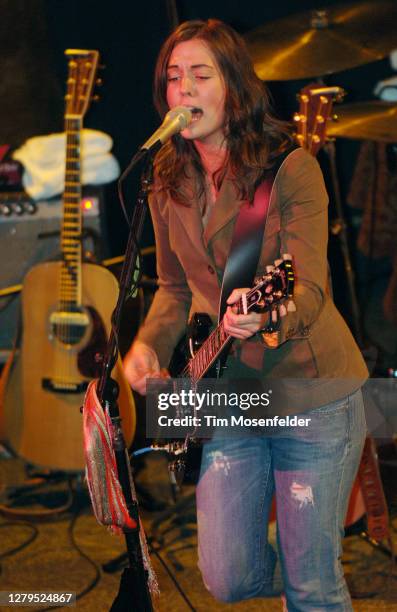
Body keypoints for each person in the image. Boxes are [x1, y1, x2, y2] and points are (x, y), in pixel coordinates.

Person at [123, 19, 368, 611]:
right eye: (174, 77)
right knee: (227, 578)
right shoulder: (165, 179)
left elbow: (307, 286)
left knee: (311, 583)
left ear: (233, 86)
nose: (184, 89)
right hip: (229, 393)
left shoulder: (290, 169)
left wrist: (266, 317)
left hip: (313, 390)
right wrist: (148, 345)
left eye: (200, 75)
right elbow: (174, 287)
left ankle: (309, 582)